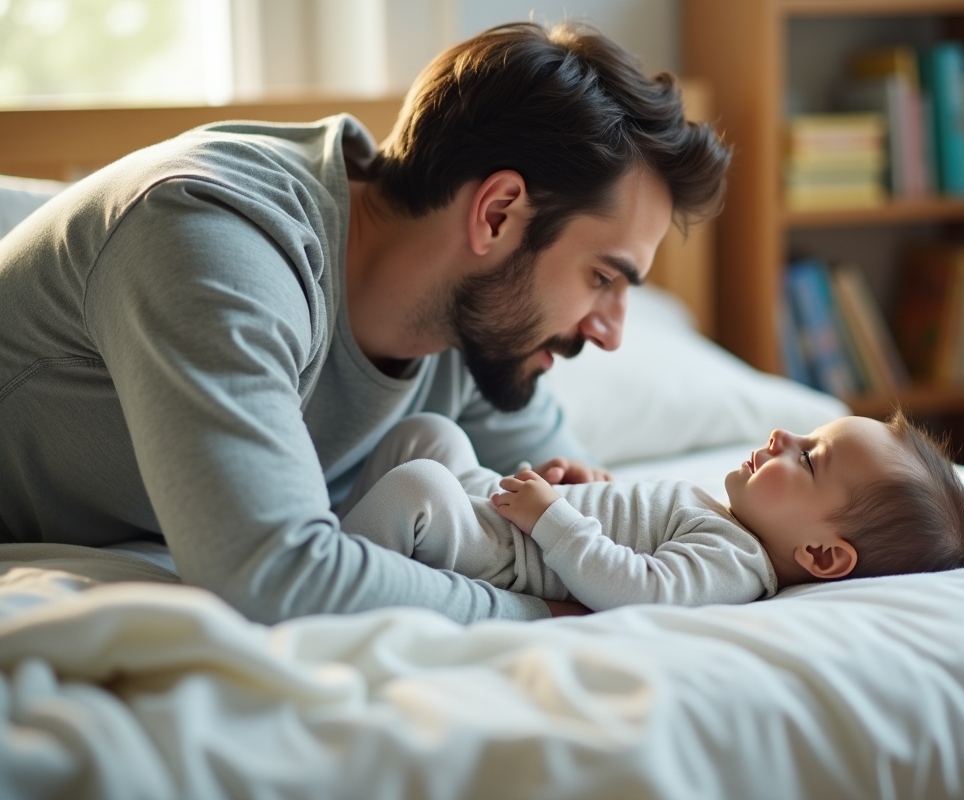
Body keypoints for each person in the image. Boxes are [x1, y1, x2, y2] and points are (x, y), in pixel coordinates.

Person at [0, 22, 731, 624]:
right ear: (498, 213)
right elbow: (271, 573)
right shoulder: (211, 238)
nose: (610, 333)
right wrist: (534, 613)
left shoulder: (471, 326)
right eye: (603, 278)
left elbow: (578, 516)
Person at [339, 410, 964, 611]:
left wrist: (554, 518)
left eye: (808, 460)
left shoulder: (738, 562)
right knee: (434, 432)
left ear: (822, 555)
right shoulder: (729, 519)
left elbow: (640, 587)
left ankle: (329, 574)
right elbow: (630, 525)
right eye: (807, 435)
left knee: (420, 484)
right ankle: (345, 529)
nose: (784, 438)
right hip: (512, 507)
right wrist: (587, 490)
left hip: (507, 551)